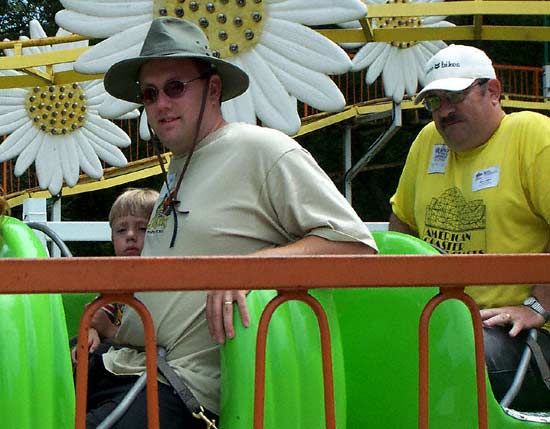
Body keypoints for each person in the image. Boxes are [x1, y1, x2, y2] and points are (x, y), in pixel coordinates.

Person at [93, 17, 377, 429]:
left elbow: (356, 247)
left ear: (212, 89)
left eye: (175, 87)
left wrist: (254, 270)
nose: (160, 104)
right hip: (129, 363)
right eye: (150, 93)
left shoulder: (262, 149)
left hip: (183, 385)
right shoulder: (180, 166)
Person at [389, 44, 550, 410]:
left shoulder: (531, 134)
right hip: (443, 323)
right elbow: (401, 228)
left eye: (455, 96)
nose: (444, 111)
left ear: (492, 91)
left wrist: (537, 306)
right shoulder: (429, 142)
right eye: (434, 101)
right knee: (367, 348)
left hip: (524, 333)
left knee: (452, 359)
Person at [71, 188, 158, 363]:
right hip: (116, 355)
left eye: (143, 228)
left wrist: (110, 331)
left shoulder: (161, 283)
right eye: (121, 230)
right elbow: (95, 319)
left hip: (145, 362)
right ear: (112, 238)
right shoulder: (115, 283)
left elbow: (158, 339)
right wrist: (92, 332)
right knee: (79, 346)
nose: (131, 235)